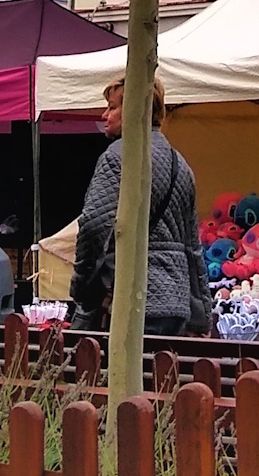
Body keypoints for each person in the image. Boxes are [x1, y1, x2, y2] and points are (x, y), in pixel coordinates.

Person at [68, 77, 208, 336]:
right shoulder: (182, 165)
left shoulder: (117, 156)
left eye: (112, 107)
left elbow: (94, 226)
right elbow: (193, 248)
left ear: (134, 109)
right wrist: (202, 316)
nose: (104, 114)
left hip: (132, 298)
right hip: (176, 307)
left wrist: (82, 286)